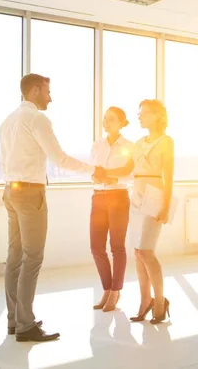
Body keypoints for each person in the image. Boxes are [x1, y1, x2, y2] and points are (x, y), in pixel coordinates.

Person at [0, 73, 105, 342]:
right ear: (34, 91)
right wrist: (95, 170)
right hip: (30, 193)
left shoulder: (8, 121)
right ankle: (25, 325)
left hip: (10, 191)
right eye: (47, 92)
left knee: (15, 257)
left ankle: (14, 320)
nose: (50, 97)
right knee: (32, 258)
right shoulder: (37, 119)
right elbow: (59, 158)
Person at [129, 99, 174, 324]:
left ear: (158, 116)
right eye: (139, 113)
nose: (140, 116)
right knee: (138, 251)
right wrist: (102, 173)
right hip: (136, 198)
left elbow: (169, 176)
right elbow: (129, 168)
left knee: (147, 252)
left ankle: (159, 300)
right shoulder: (138, 142)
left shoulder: (166, 141)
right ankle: (144, 300)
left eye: (144, 113)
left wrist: (165, 206)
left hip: (154, 197)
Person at [90, 107, 134, 312]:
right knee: (96, 246)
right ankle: (107, 289)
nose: (106, 122)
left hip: (118, 197)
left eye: (111, 119)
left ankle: (116, 291)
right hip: (98, 197)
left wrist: (111, 176)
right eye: (105, 118)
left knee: (117, 246)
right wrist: (96, 175)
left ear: (122, 122)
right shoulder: (97, 145)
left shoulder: (129, 146)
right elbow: (92, 169)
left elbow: (132, 174)